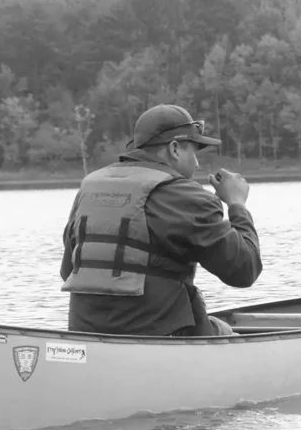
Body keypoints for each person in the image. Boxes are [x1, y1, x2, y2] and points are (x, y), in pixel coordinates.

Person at [59, 104, 263, 337]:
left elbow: (68, 271)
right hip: (158, 337)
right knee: (228, 335)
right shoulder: (186, 195)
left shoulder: (90, 187)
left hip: (86, 333)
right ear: (175, 149)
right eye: (193, 152)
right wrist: (237, 204)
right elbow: (244, 270)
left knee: (219, 326)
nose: (196, 163)